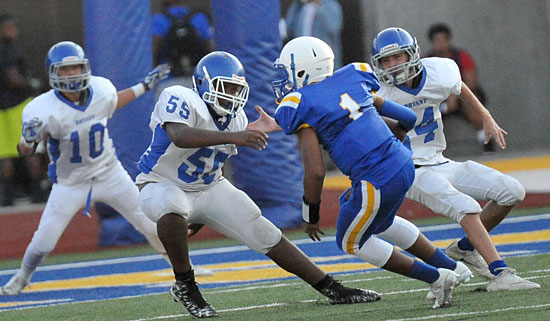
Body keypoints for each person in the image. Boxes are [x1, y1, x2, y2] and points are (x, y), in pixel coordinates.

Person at [135, 50, 381, 318]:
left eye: (235, 88)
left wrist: (203, 212)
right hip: (159, 184)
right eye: (225, 87)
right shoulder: (180, 97)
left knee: (264, 231)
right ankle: (186, 285)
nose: (231, 94)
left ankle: (331, 288)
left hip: (207, 187)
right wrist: (236, 136)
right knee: (172, 204)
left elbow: (211, 164)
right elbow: (180, 135)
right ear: (204, 83)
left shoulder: (236, 119)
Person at [271, 36, 472, 309]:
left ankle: (437, 277)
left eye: (286, 71)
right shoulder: (353, 77)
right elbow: (408, 118)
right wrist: (391, 144)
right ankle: (454, 268)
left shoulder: (300, 103)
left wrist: (310, 214)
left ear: (303, 69)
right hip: (403, 163)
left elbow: (315, 171)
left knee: (351, 241)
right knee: (381, 221)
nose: (283, 79)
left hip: (375, 178)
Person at [370, 27, 540, 292]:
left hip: (440, 161)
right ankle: (500, 272)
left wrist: (486, 116)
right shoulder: (377, 92)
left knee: (512, 191)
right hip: (410, 170)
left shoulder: (438, 71)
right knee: (466, 206)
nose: (392, 66)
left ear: (412, 54)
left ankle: (464, 248)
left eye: (398, 57)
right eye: (385, 60)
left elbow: (458, 86)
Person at [0, 41, 174, 296]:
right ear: (53, 73)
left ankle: (181, 267)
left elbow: (112, 102)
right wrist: (27, 140)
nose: (72, 74)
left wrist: (144, 86)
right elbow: (25, 151)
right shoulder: (39, 108)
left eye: (76, 68)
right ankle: (22, 276)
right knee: (44, 240)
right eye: (65, 70)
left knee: (148, 222)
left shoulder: (101, 88)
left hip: (109, 172)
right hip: (70, 183)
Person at [425, 23, 494, 152]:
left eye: (443, 40)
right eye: (436, 41)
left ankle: (487, 143)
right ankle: (428, 150)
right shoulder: (426, 61)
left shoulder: (461, 56)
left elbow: (471, 81)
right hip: (438, 100)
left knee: (474, 109)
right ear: (431, 42)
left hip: (462, 97)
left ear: (448, 40)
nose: (440, 44)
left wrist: (454, 95)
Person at [0, 14, 45, 206]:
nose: (14, 31)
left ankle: (7, 195)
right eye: (10, 27)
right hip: (18, 106)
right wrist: (33, 84)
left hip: (2, 108)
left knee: (5, 154)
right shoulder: (9, 50)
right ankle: (37, 191)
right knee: (30, 149)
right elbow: (14, 79)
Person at [152, 0, 213, 85]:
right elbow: (210, 50)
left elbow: (155, 52)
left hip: (168, 80)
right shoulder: (199, 17)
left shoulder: (158, 19)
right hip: (197, 80)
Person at [284, 0, 343, 68]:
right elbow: (288, 29)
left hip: (324, 58)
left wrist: (319, 5)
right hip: (303, 56)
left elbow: (334, 26)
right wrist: (296, 5)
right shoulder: (301, 8)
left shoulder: (330, 5)